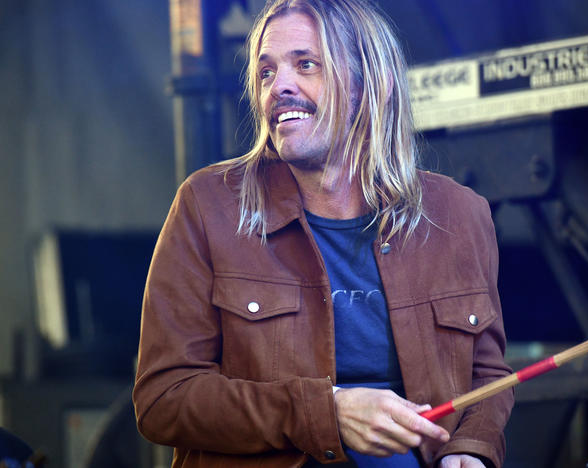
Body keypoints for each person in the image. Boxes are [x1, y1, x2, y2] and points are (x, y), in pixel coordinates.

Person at [132, 0, 513, 467]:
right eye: (267, 73)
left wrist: (470, 449)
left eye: (306, 64)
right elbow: (163, 399)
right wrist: (324, 412)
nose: (280, 87)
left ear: (371, 83)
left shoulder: (460, 214)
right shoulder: (207, 206)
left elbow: (487, 376)